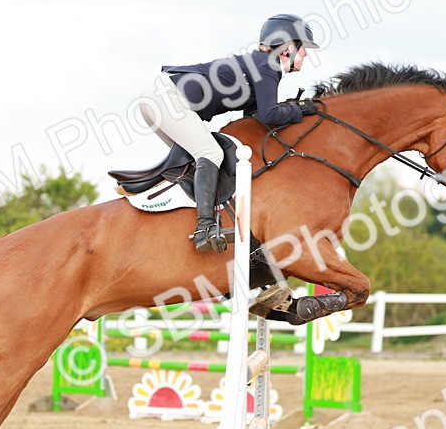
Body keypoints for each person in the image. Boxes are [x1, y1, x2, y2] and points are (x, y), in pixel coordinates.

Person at [138, 13, 321, 252]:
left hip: (158, 95)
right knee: (211, 153)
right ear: (287, 47)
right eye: (303, 47)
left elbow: (254, 121)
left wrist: (291, 111)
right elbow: (269, 115)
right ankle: (204, 228)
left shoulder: (259, 65)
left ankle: (169, 216)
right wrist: (299, 109)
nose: (306, 53)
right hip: (166, 97)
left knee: (195, 159)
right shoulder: (268, 66)